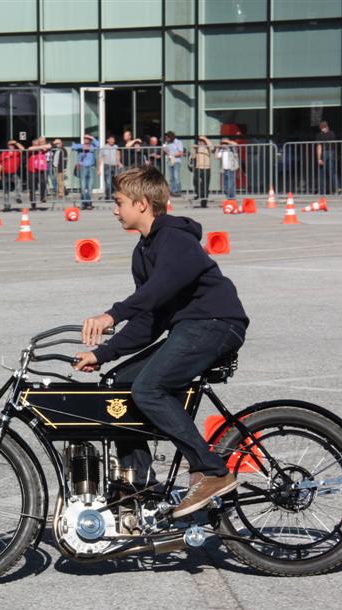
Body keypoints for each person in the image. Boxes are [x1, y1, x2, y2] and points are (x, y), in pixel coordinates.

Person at [73, 165, 248, 517]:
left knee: (149, 389)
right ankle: (140, 486)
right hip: (188, 327)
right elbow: (150, 320)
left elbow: (160, 288)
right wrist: (103, 353)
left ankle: (212, 471)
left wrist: (112, 314)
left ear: (141, 204)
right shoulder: (143, 252)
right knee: (118, 386)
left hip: (215, 323)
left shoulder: (176, 239)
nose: (114, 209)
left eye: (119, 201)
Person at [72, 133, 99, 210]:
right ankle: (84, 203)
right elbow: (73, 146)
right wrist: (82, 147)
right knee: (83, 187)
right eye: (85, 138)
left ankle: (89, 203)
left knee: (90, 187)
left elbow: (99, 145)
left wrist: (92, 137)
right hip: (82, 168)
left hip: (91, 168)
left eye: (88, 138)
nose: (86, 139)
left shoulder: (93, 146)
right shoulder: (80, 146)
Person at [315, 120, 340, 196]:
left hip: (324, 153)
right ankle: (337, 188)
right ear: (327, 126)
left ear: (320, 128)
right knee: (332, 172)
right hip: (332, 153)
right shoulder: (332, 134)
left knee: (321, 173)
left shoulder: (319, 135)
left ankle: (321, 191)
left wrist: (319, 158)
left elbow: (319, 147)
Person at [0, 140, 23, 208]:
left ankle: (18, 197)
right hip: (5, 173)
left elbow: (23, 149)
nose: (11, 146)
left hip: (14, 173)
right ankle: (6, 204)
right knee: (6, 189)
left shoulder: (17, 152)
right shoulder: (3, 153)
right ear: (8, 146)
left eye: (13, 145)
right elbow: (0, 164)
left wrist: (16, 142)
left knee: (18, 184)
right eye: (10, 145)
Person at [26, 137, 50, 208]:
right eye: (34, 144)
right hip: (32, 170)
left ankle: (42, 197)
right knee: (32, 187)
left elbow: (49, 146)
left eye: (36, 144)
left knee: (43, 182)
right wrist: (41, 147)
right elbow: (30, 148)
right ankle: (33, 203)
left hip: (41, 170)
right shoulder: (32, 149)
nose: (35, 145)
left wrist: (42, 145)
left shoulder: (42, 149)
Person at [190, 136, 213, 208]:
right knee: (195, 181)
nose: (201, 142)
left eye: (202, 141)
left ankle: (204, 202)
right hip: (198, 167)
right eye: (200, 141)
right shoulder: (197, 148)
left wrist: (205, 139)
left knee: (205, 185)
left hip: (206, 168)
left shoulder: (208, 148)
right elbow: (193, 157)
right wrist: (193, 149)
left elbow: (212, 147)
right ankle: (198, 193)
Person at [100, 135, 120, 201]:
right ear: (107, 140)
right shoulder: (104, 147)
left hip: (115, 166)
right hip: (107, 166)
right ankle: (108, 196)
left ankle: (113, 195)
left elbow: (118, 155)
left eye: (113, 139)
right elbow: (100, 158)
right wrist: (98, 169)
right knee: (108, 182)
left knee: (115, 182)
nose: (112, 141)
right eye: (110, 139)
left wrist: (119, 162)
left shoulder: (116, 147)